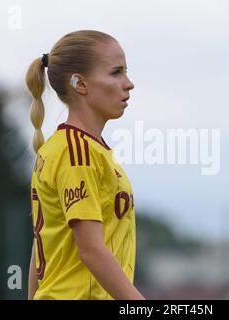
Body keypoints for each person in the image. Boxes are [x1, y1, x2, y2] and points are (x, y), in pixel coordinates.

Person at [25, 30, 144, 300]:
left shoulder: (67, 148)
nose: (129, 84)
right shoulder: (76, 153)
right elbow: (91, 250)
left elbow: (40, 243)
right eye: (116, 73)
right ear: (80, 83)